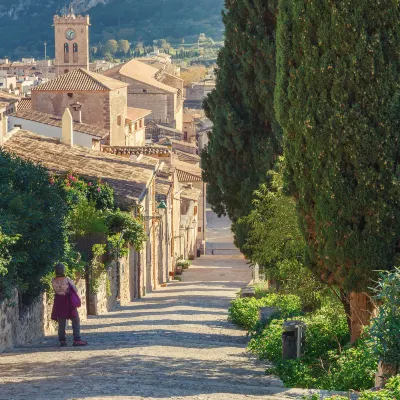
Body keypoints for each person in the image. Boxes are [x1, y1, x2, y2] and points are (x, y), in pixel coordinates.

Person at [51, 263, 87, 347]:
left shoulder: (53, 280)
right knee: (75, 320)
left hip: (59, 302)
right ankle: (77, 339)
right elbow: (74, 289)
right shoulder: (67, 280)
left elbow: (55, 290)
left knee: (61, 322)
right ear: (63, 270)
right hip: (68, 302)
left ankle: (62, 340)